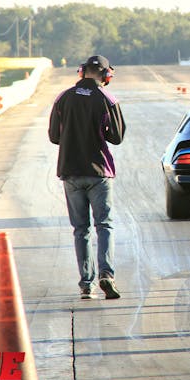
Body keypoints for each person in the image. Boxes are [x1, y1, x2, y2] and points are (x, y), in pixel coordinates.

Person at [49, 55, 126, 300]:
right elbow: (117, 137)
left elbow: (54, 136)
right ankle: (107, 275)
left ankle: (86, 284)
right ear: (106, 76)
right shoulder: (107, 99)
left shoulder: (63, 97)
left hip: (70, 171)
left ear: (82, 73)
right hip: (99, 172)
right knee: (104, 224)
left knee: (80, 229)